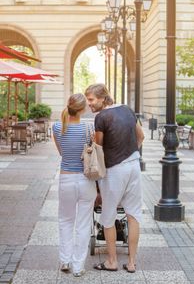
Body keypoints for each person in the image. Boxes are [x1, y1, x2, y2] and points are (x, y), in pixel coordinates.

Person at [85, 83, 144, 273]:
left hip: (114, 171)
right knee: (133, 214)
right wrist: (128, 151)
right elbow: (140, 136)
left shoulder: (101, 117)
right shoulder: (127, 110)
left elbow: (98, 147)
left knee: (108, 215)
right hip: (134, 165)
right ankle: (132, 262)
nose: (89, 104)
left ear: (103, 98)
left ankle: (112, 261)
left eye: (92, 99)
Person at [52, 93, 96, 277]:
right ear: (83, 109)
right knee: (84, 224)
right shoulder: (89, 128)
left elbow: (62, 153)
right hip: (86, 180)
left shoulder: (56, 127)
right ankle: (78, 266)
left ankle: (65, 260)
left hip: (66, 179)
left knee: (65, 220)